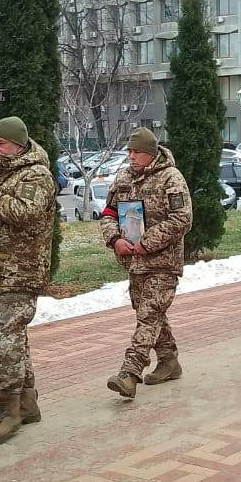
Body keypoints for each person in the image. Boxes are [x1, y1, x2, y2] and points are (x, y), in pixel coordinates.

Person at [0, 117, 57, 441]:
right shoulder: (1, 174)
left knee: (5, 333)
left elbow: (25, 211)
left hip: (21, 271)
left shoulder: (37, 175)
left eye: (1, 143)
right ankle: (28, 402)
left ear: (19, 144)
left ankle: (9, 410)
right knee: (8, 337)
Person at [101, 127, 192, 398]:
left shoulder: (171, 178)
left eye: (136, 151)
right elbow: (108, 212)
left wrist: (147, 243)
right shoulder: (124, 177)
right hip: (134, 263)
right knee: (149, 313)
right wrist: (114, 238)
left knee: (149, 314)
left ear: (150, 154)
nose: (131, 156)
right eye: (129, 151)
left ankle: (130, 372)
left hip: (162, 262)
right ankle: (168, 361)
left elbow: (181, 219)